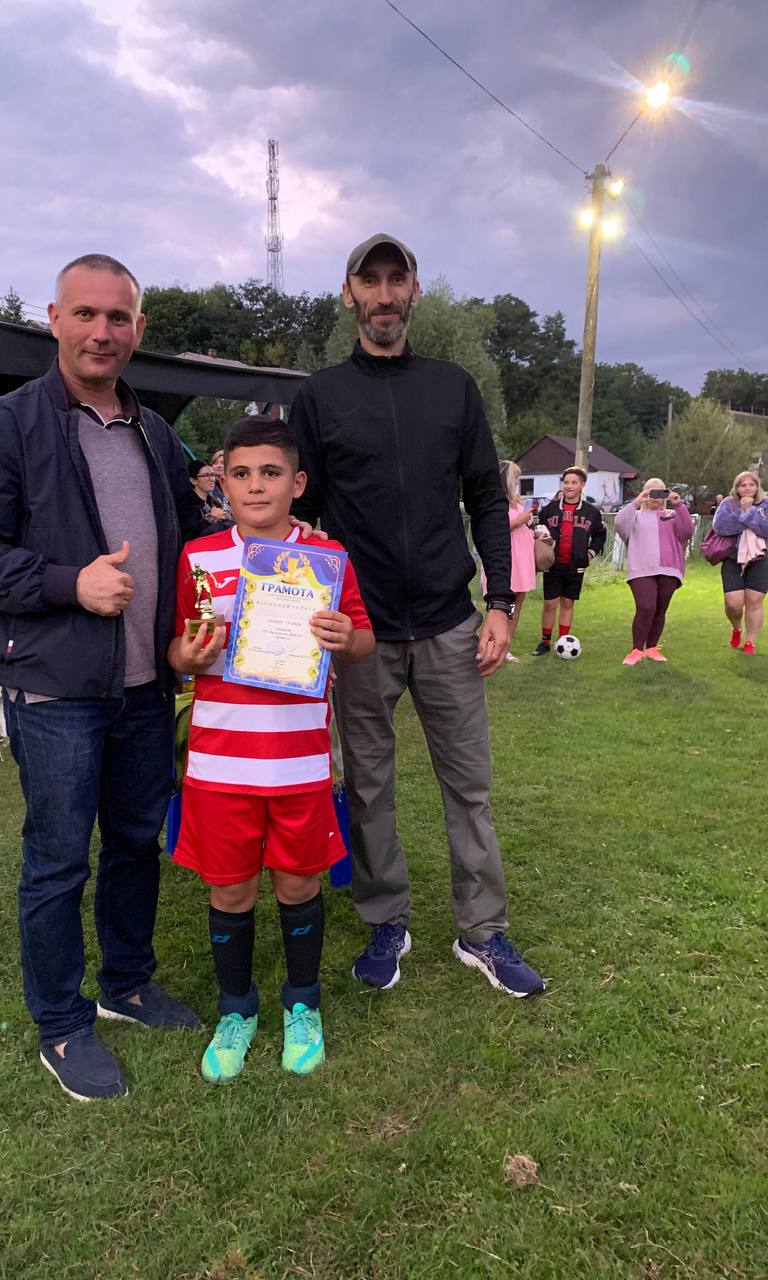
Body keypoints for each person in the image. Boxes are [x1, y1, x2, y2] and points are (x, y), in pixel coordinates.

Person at [0, 254, 211, 1102]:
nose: (102, 331)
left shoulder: (152, 432)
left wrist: (272, 547)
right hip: (55, 689)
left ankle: (127, 983)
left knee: (134, 843)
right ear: (53, 319)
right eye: (85, 314)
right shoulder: (6, 426)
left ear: (138, 329)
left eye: (118, 317)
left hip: (144, 686)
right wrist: (68, 583)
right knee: (58, 861)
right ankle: (60, 1022)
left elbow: (193, 533)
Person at [289, 232, 543, 999]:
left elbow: (487, 500)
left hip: (447, 621)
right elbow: (300, 512)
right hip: (360, 631)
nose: (384, 294)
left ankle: (482, 932)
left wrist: (499, 604)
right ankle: (385, 920)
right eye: (370, 281)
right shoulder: (320, 397)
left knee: (469, 786)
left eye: (396, 279)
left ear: (415, 292)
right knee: (368, 785)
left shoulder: (452, 388)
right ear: (349, 295)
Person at [169, 415, 374, 1083]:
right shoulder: (199, 558)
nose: (256, 485)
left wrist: (345, 638)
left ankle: (302, 1004)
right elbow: (177, 649)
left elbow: (363, 639)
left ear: (298, 483)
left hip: (298, 761)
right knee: (229, 891)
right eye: (241, 473)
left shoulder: (326, 560)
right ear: (223, 482)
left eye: (271, 472)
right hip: (220, 764)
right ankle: (236, 1009)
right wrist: (188, 655)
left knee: (298, 882)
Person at [614, 478, 693, 665]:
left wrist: (679, 504)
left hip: (669, 569)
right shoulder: (635, 516)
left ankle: (651, 648)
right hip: (641, 569)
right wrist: (637, 502)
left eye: (659, 492)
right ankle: (636, 649)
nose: (655, 497)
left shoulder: (672, 514)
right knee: (646, 607)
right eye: (651, 492)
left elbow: (686, 531)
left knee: (660, 609)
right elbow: (619, 523)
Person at [533, 467, 605, 654]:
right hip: (553, 564)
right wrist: (541, 546)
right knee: (550, 603)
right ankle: (545, 641)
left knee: (567, 603)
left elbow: (599, 536)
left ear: (582, 485)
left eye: (574, 482)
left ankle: (563, 640)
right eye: (566, 482)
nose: (569, 486)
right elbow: (539, 531)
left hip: (575, 565)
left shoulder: (591, 512)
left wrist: (590, 554)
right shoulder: (549, 510)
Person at [712, 470, 768, 655]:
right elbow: (721, 527)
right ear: (737, 488)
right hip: (733, 559)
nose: (747, 488)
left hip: (760, 558)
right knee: (733, 603)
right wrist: (743, 512)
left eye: (751, 484)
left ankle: (750, 642)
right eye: (743, 485)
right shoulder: (728, 504)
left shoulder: (765, 504)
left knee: (754, 602)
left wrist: (749, 512)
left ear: (757, 487)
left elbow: (765, 530)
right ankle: (736, 628)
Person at [496, 461, 536, 661]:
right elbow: (496, 528)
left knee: (518, 601)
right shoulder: (496, 500)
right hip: (508, 555)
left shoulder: (516, 500)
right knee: (504, 600)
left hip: (523, 555)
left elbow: (523, 525)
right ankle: (495, 643)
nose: (518, 481)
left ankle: (506, 646)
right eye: (515, 477)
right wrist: (520, 521)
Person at [187, 458, 229, 522]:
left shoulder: (215, 502)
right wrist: (213, 517)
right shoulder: (188, 506)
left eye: (213, 475)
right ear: (193, 480)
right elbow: (192, 528)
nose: (212, 479)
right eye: (206, 475)